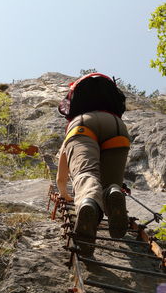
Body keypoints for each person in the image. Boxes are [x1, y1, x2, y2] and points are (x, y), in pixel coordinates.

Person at [56, 73, 130, 256]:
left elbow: (62, 174)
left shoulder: (75, 116)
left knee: (85, 172)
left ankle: (89, 201)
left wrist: (64, 192)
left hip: (82, 124)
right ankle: (113, 190)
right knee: (110, 182)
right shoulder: (111, 107)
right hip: (117, 125)